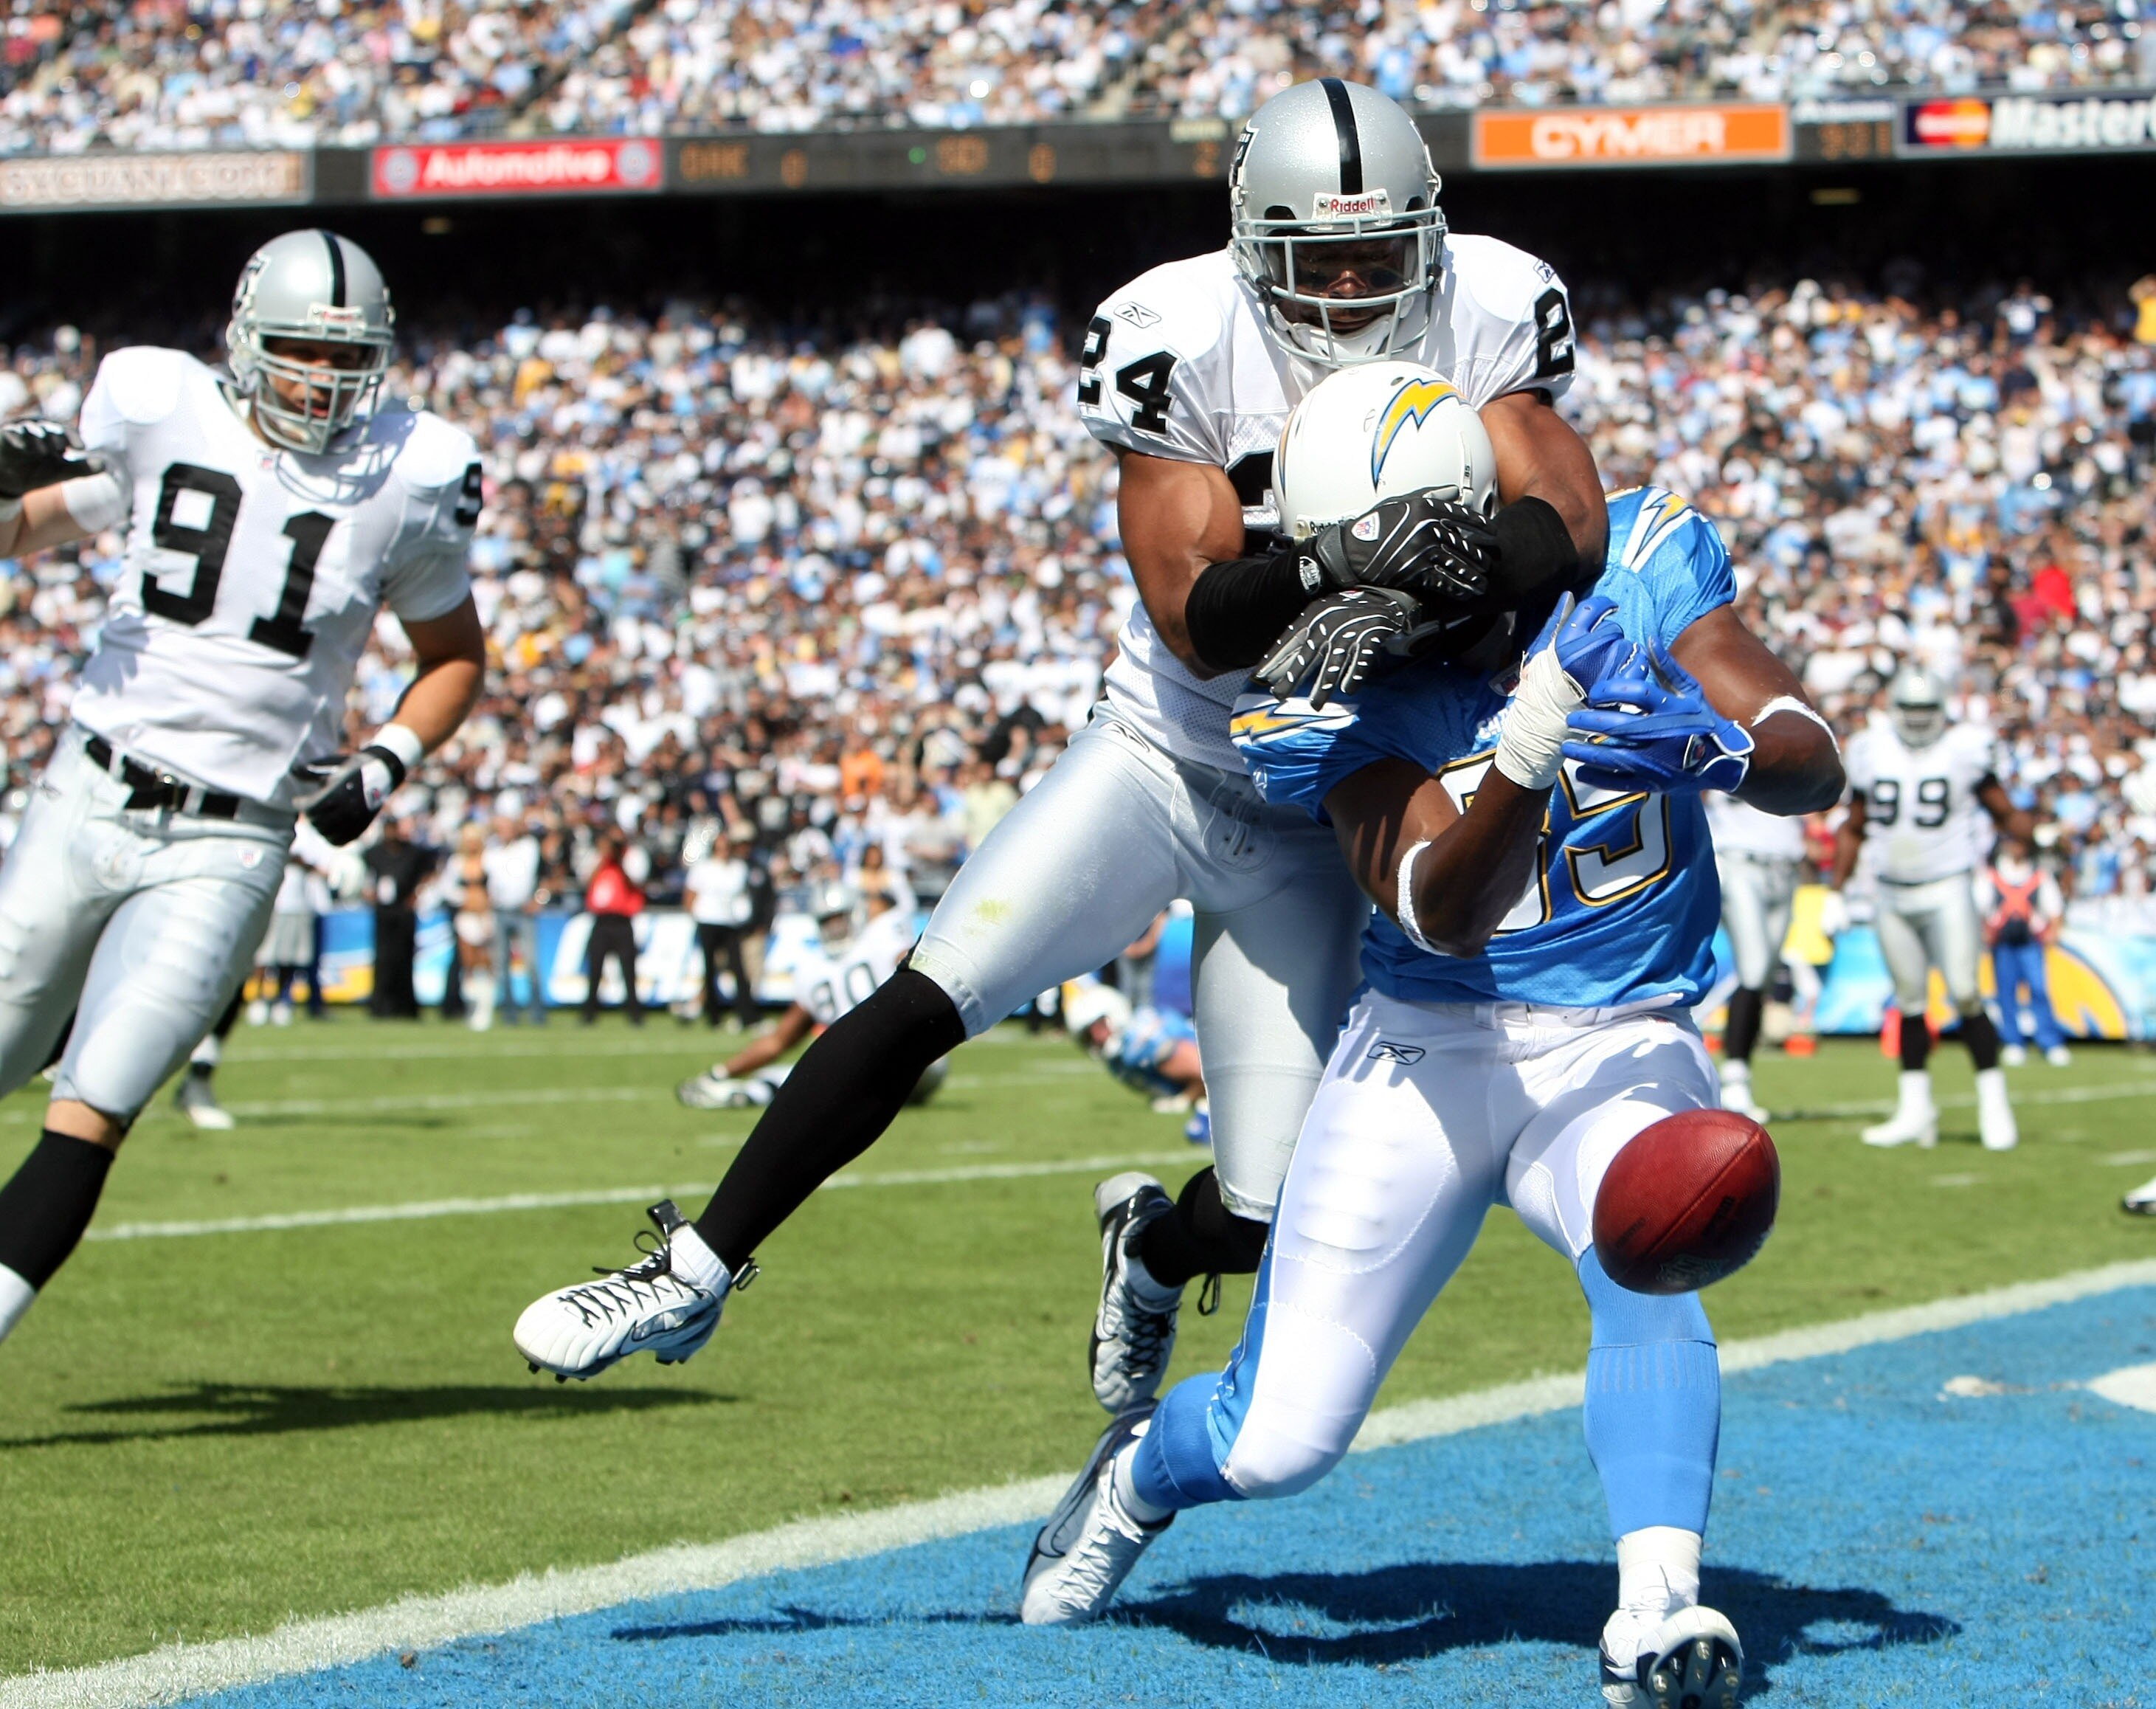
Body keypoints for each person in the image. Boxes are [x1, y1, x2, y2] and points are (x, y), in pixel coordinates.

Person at [511, 78, 1614, 1395]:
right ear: (1252, 244)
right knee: (934, 992)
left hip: (1323, 797)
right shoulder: (1184, 330)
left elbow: (1569, 517)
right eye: (1321, 260)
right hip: (1162, 754)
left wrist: (1473, 569)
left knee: (1265, 1211)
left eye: (1382, 255)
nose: (1356, 288)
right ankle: (692, 1271)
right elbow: (1191, 613)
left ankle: (1148, 1249)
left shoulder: (1489, 302)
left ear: (1432, 234)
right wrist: (1341, 565)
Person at [1017, 466, 1845, 1709]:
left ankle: (1654, 1610)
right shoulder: (1329, 684)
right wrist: (1530, 743)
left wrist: (1718, 747)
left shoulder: (1635, 560)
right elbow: (1440, 912)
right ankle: (1137, 1476)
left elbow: (1805, 753)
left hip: (1624, 1027)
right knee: (1277, 1440)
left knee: (1651, 1258)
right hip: (1426, 1044)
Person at [0, 228, 484, 1346]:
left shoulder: (414, 475)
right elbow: (33, 530)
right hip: (87, 792)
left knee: (96, 1102)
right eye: (298, 351)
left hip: (232, 840)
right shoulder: (152, 400)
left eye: (342, 357)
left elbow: (454, 656)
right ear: (242, 337)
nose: (318, 379)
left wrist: (386, 761)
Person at [1827, 667, 2030, 1151]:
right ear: (1895, 709)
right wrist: (1836, 889)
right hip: (1891, 892)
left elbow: (2004, 813)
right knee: (1910, 1000)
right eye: (1910, 711)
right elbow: (1854, 826)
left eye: (1926, 711)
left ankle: (1994, 1104)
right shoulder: (1870, 750)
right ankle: (1916, 1110)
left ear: (1943, 711)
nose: (1918, 721)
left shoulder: (1964, 750)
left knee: (1965, 994)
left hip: (1947, 887)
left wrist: (2036, 834)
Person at [670, 883, 945, 1115]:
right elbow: (779, 1040)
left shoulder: (876, 941)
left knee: (818, 1070)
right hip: (897, 1070)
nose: (835, 928)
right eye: (828, 921)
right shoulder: (821, 966)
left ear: (855, 913)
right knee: (826, 1064)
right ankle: (744, 1089)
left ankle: (751, 1093)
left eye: (839, 918)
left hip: (910, 1062)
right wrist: (722, 1071)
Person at [1703, 793, 1809, 1122]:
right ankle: (1735, 1080)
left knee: (1762, 977)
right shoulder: (1717, 740)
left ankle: (1739, 1073)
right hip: (1738, 862)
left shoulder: (1793, 743)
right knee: (1755, 967)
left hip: (1786, 867)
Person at [1063, 978, 1211, 1148]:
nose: (1097, 1038)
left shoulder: (1140, 1043)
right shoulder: (1122, 1054)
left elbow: (1202, 1070)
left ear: (1113, 1013)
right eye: (1089, 1036)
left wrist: (1183, 1100)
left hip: (1231, 1071)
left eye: (1099, 1027)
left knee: (1199, 1130)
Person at [1978, 835, 2070, 1068]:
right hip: (2004, 943)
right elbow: (1980, 909)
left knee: (2039, 990)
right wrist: (1984, 931)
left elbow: (2055, 909)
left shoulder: (2039, 876)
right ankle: (2013, 1042)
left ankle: (2049, 1042)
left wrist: (2054, 930)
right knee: (2006, 994)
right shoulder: (1992, 875)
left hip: (2030, 942)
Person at [683, 824, 758, 1029]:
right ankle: (713, 1015)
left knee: (738, 969)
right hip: (708, 921)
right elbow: (690, 896)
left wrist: (743, 916)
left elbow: (742, 897)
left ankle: (747, 1015)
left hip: (730, 923)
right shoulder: (703, 868)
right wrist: (697, 915)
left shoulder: (738, 869)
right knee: (709, 969)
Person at [366, 816, 436, 1020]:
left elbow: (430, 870)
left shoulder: (413, 853)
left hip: (404, 910)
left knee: (404, 958)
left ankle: (405, 1007)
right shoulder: (375, 853)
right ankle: (381, 1006)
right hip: (383, 912)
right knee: (383, 959)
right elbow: (366, 876)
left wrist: (416, 895)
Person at [483, 809, 547, 1024]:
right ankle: (509, 1013)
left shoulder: (528, 847)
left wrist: (539, 900)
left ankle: (537, 1012)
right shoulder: (492, 852)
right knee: (502, 966)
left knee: (531, 964)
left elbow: (546, 876)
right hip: (500, 911)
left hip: (523, 911)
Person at [581, 832, 644, 1026]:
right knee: (595, 968)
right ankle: (590, 1012)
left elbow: (636, 884)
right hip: (601, 921)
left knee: (628, 970)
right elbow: (587, 881)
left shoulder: (631, 859)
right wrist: (603, 860)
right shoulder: (598, 862)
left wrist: (619, 862)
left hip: (622, 922)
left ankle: (634, 1013)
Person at [449, 821, 496, 1032]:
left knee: (485, 964)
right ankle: (472, 1008)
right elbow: (447, 888)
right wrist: (463, 898)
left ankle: (485, 1011)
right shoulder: (457, 863)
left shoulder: (490, 861)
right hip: (466, 917)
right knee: (468, 964)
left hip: (486, 917)